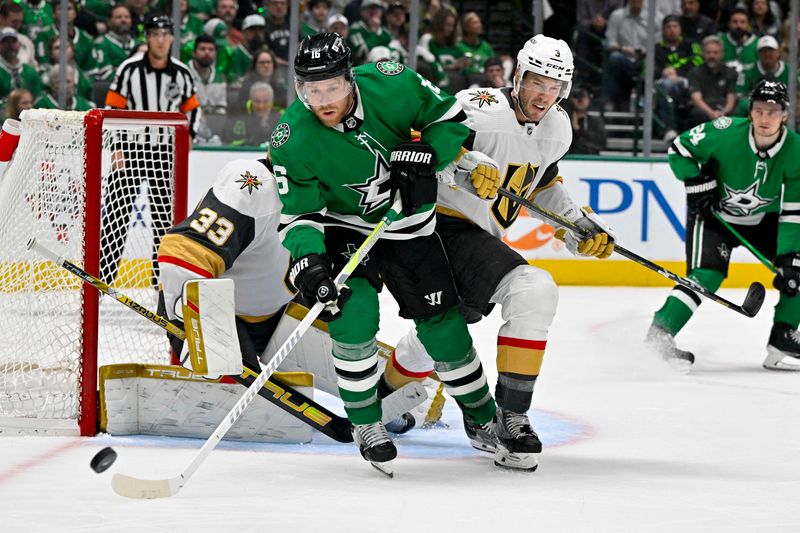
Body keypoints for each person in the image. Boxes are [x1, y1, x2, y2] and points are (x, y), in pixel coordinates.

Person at [383, 35, 616, 471]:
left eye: (556, 87)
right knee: (533, 288)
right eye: (537, 81)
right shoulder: (479, 107)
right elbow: (417, 144)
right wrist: (462, 164)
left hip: (479, 235)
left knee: (444, 328)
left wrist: (575, 224)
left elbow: (542, 184)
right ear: (518, 76)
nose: (544, 95)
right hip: (436, 224)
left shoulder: (558, 128)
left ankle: (380, 397)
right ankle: (511, 417)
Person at [271, 32, 500, 474]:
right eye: (310, 90)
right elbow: (299, 216)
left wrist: (427, 155)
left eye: (331, 87)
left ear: (350, 78)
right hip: (343, 230)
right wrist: (310, 262)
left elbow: (450, 117)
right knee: (352, 317)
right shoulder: (290, 137)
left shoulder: (391, 82)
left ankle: (482, 417)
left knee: (443, 329)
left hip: (411, 227)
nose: (321, 100)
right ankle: (366, 424)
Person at [646, 80, 800, 372]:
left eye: (772, 111)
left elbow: (794, 211)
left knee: (798, 266)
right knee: (706, 275)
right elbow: (678, 149)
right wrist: (698, 183)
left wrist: (790, 256)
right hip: (714, 215)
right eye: (759, 111)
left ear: (785, 115)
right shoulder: (725, 131)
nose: (765, 118)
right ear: (750, 112)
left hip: (763, 220)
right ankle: (659, 337)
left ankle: (783, 336)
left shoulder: (796, 151)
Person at [102, 15, 200, 286]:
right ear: (147, 38)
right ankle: (102, 280)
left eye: (165, 34)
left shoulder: (181, 73)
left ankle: (162, 279)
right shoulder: (129, 69)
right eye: (155, 34)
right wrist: (117, 148)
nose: (160, 40)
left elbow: (192, 109)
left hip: (164, 154)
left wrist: (187, 137)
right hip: (130, 151)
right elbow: (113, 109)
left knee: (165, 220)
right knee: (116, 217)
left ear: (171, 38)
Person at [603, 0, 648, 110]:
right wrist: (624, 49)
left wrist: (645, 51)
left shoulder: (654, 18)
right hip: (623, 58)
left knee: (653, 61)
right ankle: (611, 101)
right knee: (614, 57)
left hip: (645, 59)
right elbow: (610, 42)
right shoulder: (617, 16)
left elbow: (658, 44)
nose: (637, 2)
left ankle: (647, 103)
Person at [685, 35, 737, 128]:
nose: (712, 56)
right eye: (708, 53)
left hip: (723, 108)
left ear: (722, 54)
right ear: (703, 54)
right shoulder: (694, 72)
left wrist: (723, 113)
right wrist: (711, 113)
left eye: (715, 53)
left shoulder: (730, 73)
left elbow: (731, 97)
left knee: (738, 112)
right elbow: (696, 98)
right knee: (697, 113)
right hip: (704, 109)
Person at [88, 4, 138, 81]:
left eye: (127, 17)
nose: (123, 20)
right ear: (109, 21)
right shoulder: (101, 43)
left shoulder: (138, 44)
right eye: (118, 17)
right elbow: (105, 74)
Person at [223, 81, 280, 146]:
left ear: (272, 101)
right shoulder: (239, 114)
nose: (261, 106)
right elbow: (227, 140)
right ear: (251, 100)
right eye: (257, 101)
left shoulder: (281, 118)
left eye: (266, 101)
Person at [567, 86, 606, 154]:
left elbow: (601, 142)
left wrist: (578, 129)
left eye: (583, 97)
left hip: (590, 159)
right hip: (568, 158)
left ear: (589, 100)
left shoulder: (595, 121)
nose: (580, 100)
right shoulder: (565, 120)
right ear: (570, 99)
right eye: (576, 96)